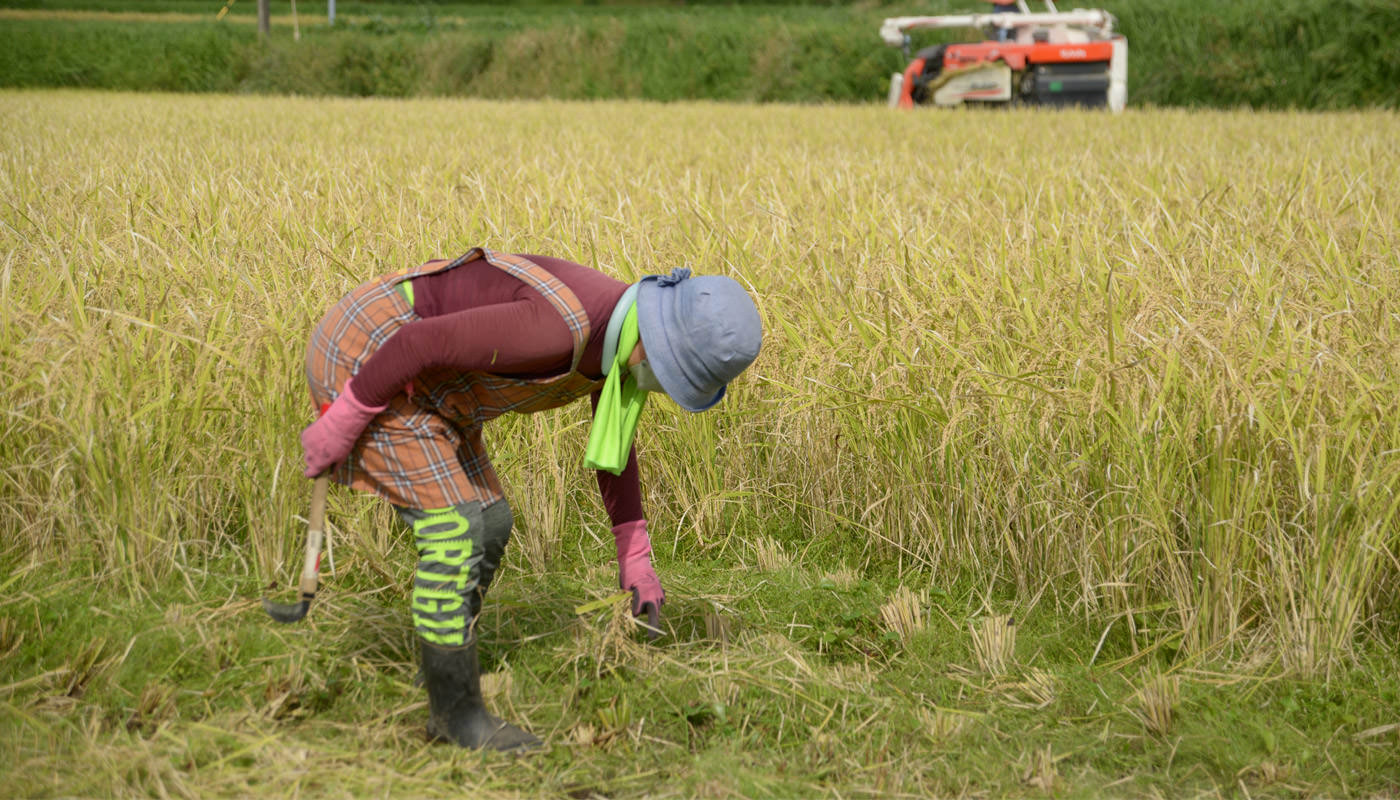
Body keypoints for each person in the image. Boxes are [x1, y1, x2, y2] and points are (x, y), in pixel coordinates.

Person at [299, 246, 762, 752]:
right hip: (371, 357)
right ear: (653, 345)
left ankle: (445, 664)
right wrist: (345, 418)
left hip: (434, 386)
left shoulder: (617, 333)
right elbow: (416, 341)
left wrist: (635, 553)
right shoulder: (559, 329)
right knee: (456, 531)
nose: (664, 390)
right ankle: (455, 717)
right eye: (673, 378)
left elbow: (615, 444)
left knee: (492, 521)